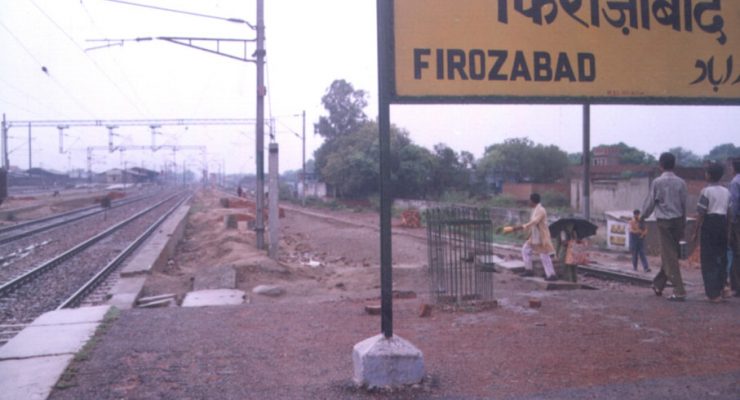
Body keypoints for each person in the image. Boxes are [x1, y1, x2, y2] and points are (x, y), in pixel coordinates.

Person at [641, 152, 688, 301]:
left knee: (669, 256)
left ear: (660, 165)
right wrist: (684, 223)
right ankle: (658, 284)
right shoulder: (681, 183)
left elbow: (650, 203)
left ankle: (679, 290)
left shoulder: (657, 182)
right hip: (678, 221)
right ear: (674, 165)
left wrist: (642, 217)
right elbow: (684, 205)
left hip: (664, 223)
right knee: (671, 254)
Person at [691, 162, 731, 303]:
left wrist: (695, 231)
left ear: (709, 175)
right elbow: (729, 212)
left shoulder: (706, 191)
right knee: (721, 257)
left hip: (710, 224)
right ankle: (723, 287)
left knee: (708, 259)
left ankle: (713, 294)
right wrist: (728, 229)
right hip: (722, 223)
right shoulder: (726, 191)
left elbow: (701, 213)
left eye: (706, 172)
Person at [513, 193, 557, 281]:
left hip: (541, 237)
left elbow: (535, 221)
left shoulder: (541, 210)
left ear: (533, 201)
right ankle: (528, 270)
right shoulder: (535, 209)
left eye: (529, 200)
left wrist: (523, 226)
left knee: (544, 255)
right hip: (534, 236)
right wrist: (528, 234)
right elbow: (533, 225)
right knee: (525, 250)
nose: (528, 202)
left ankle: (551, 275)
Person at [729, 158, 740, 297]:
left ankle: (737, 286)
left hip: (737, 221)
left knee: (736, 251)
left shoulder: (735, 182)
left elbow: (734, 203)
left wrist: (731, 221)